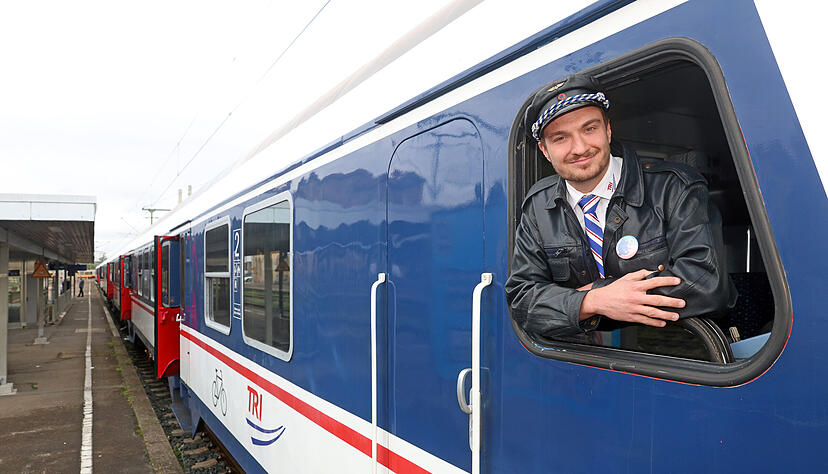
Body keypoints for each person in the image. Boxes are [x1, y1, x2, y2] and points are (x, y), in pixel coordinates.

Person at [505, 73, 732, 339]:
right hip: (578, 356)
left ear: (608, 130)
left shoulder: (674, 187)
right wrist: (594, 301)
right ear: (545, 150)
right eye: (560, 138)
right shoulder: (538, 207)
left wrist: (589, 296)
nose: (580, 148)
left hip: (681, 350)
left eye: (589, 129)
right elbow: (523, 300)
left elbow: (706, 284)